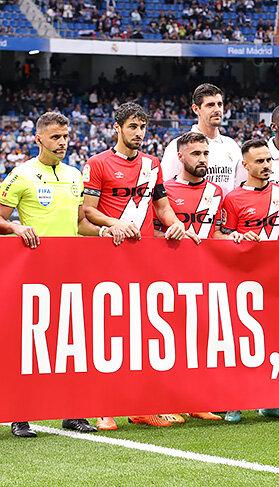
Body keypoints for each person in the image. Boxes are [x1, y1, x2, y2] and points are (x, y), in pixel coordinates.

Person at [0, 112, 120, 438]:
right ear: (38, 138)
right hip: (32, 273)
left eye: (65, 136)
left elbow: (80, 223)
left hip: (70, 270)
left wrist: (103, 231)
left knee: (72, 341)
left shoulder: (74, 175)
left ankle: (73, 413)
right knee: (31, 344)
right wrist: (15, 227)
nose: (62, 142)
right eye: (55, 137)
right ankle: (20, 416)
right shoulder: (21, 174)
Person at [83, 102, 199, 430]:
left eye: (142, 127)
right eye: (132, 127)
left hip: (145, 258)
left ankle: (142, 407)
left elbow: (162, 207)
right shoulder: (97, 163)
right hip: (110, 257)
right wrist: (115, 223)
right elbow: (88, 211)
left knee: (144, 332)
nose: (139, 133)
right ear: (117, 128)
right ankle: (104, 409)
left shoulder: (152, 164)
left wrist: (177, 225)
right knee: (110, 334)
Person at [214, 138, 279, 423]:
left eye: (268, 160)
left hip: (276, 279)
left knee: (276, 341)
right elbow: (219, 235)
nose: (266, 165)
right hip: (244, 279)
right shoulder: (233, 199)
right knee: (242, 342)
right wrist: (237, 237)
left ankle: (271, 402)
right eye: (260, 161)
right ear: (246, 165)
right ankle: (234, 403)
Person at [152, 130, 225, 424]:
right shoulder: (165, 191)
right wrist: (170, 236)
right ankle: (165, 401)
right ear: (180, 156)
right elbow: (153, 231)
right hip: (168, 275)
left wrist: (233, 239)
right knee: (168, 341)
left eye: (206, 153)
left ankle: (196, 401)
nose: (202, 159)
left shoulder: (216, 192)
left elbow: (215, 232)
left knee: (200, 339)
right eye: (196, 154)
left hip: (205, 274)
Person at [161, 83, 245, 195]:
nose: (217, 110)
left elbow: (239, 191)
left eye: (219, 104)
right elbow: (166, 189)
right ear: (196, 109)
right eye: (210, 105)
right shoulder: (177, 146)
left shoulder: (232, 146)